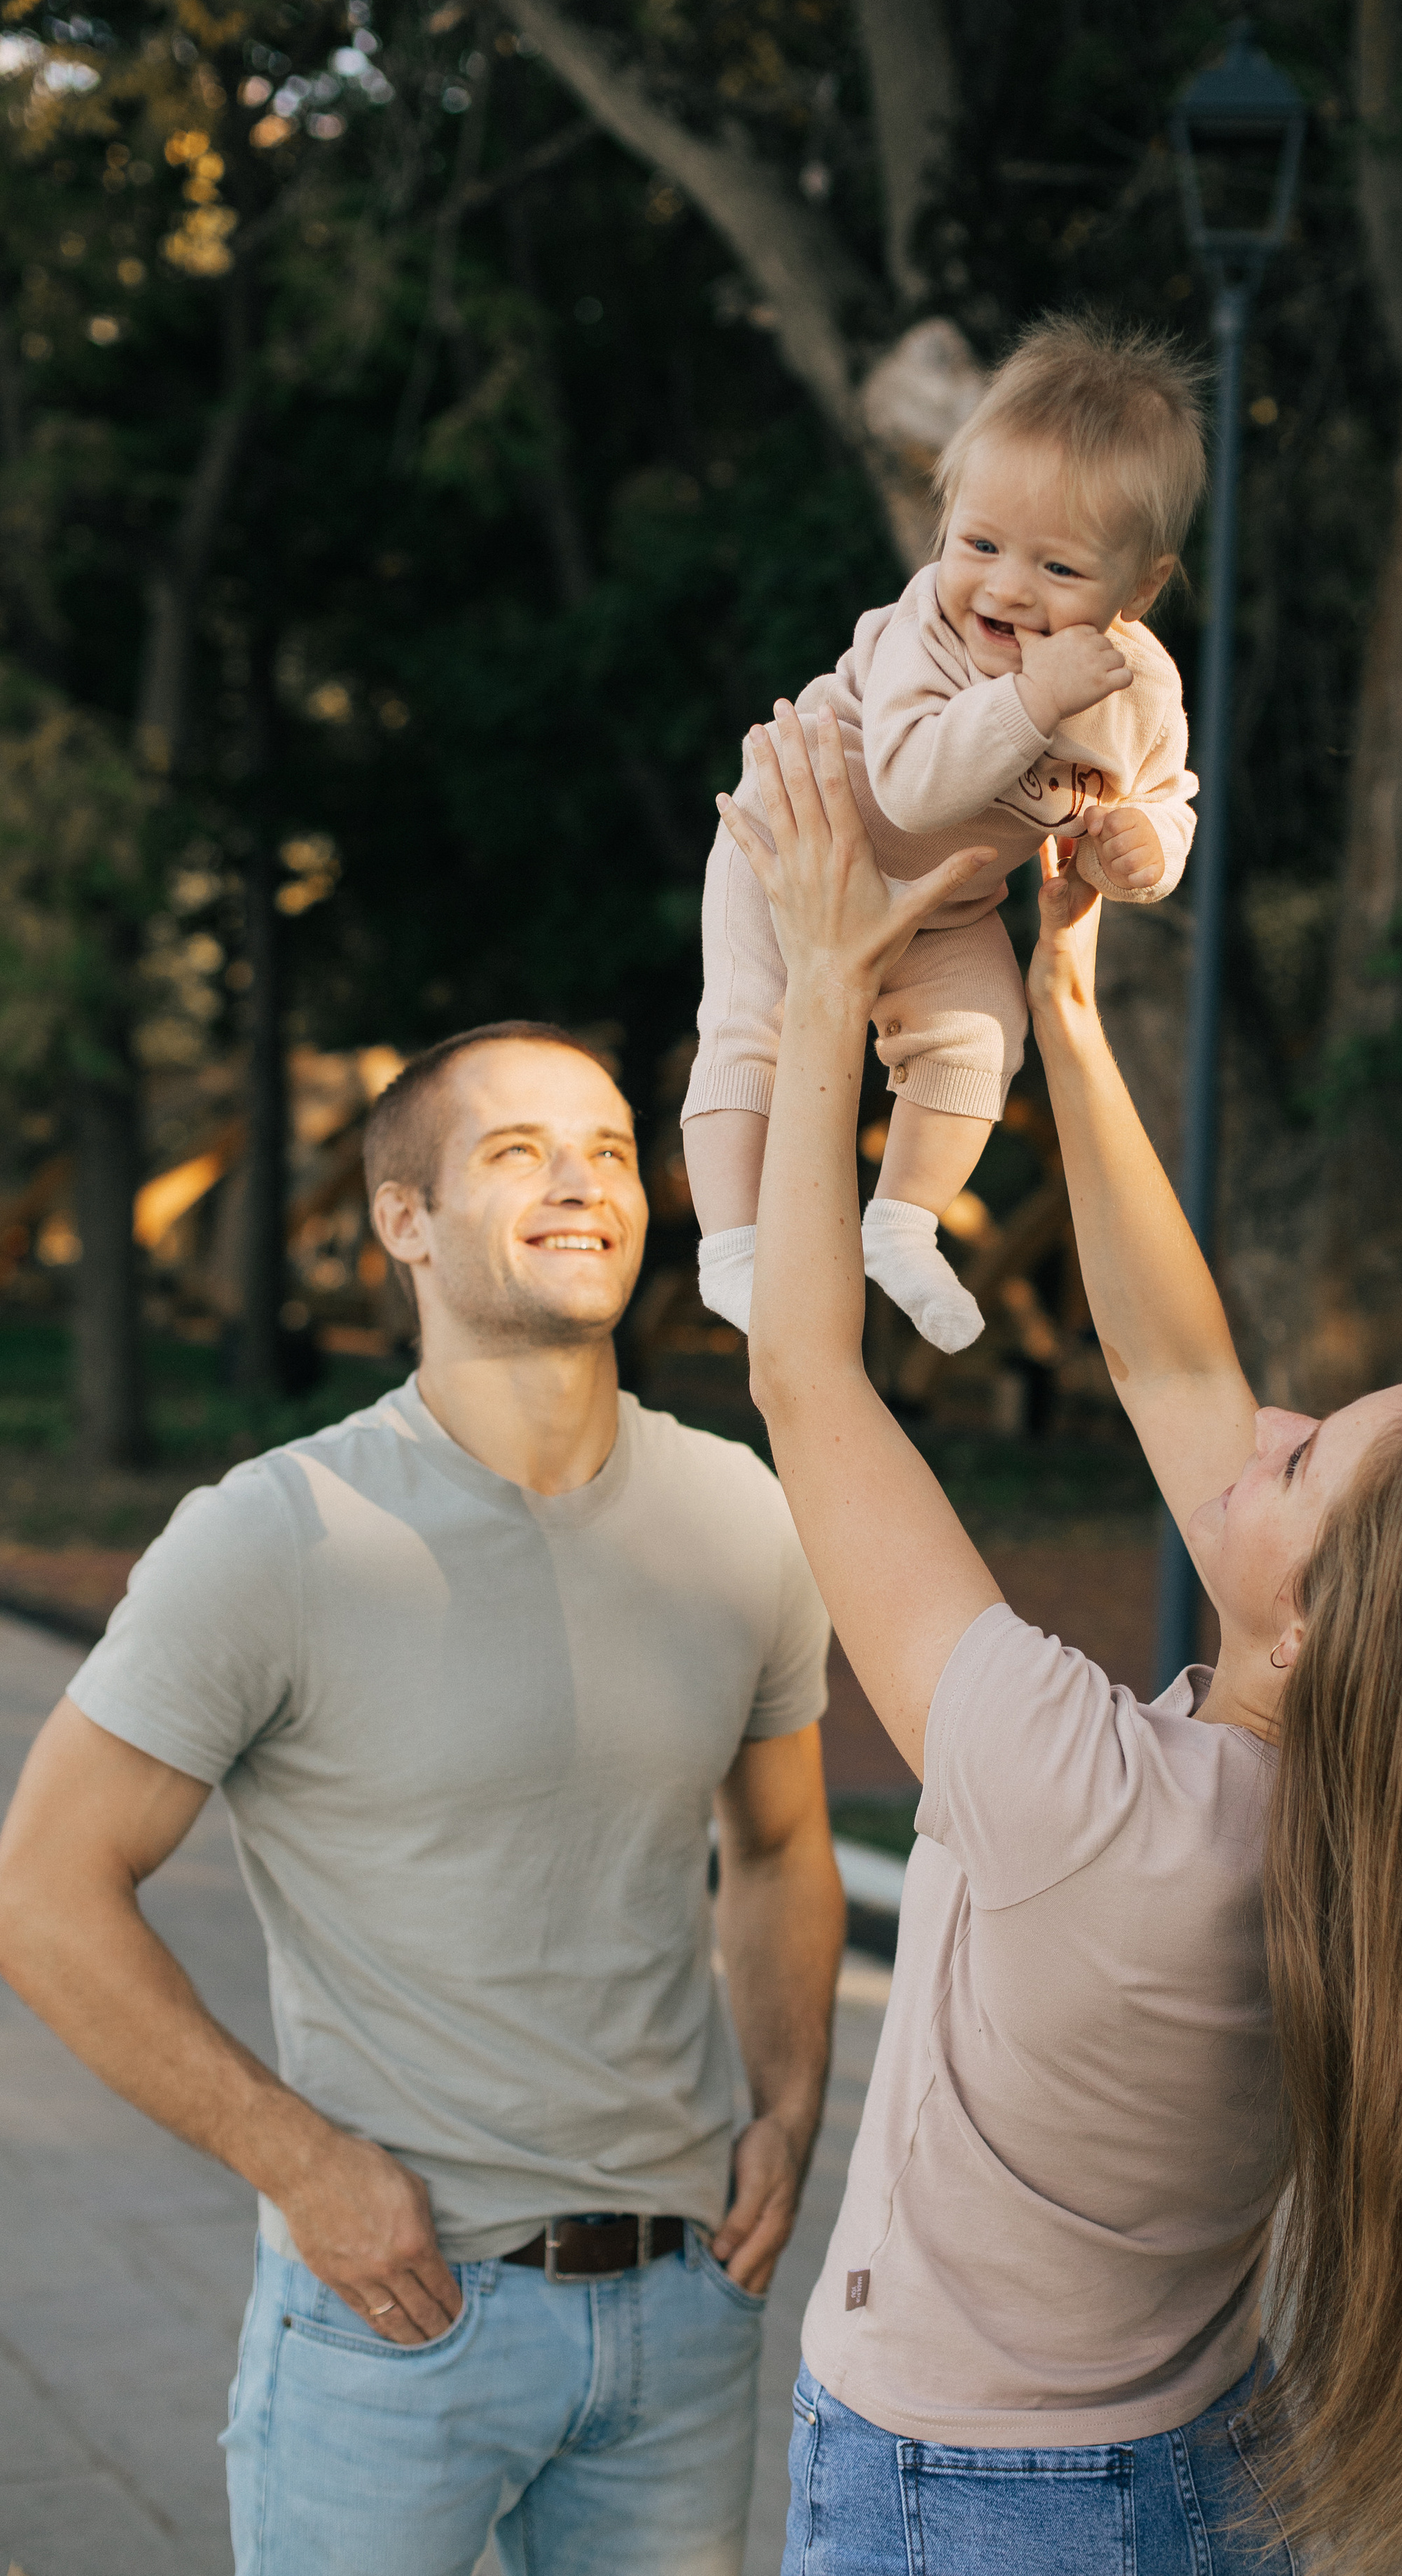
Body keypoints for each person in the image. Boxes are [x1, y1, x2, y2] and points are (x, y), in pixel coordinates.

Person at [720, 706, 1402, 2576]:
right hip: (1202, 2463)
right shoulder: (1397, 1847)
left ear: (1313, 1633)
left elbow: (805, 1381)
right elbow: (1172, 1358)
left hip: (968, 2507)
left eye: (1300, 1462)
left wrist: (825, 979)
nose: (1264, 1429)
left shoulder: (1089, 1803)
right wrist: (1063, 1003)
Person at [0, 1022, 845, 2576]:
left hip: (682, 2320)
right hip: (397, 2316)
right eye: (516, 1155)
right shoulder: (279, 1535)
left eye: (604, 1151)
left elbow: (783, 1845)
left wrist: (788, 2110)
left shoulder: (738, 1514)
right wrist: (298, 2163)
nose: (579, 1185)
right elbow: (43, 1892)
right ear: (404, 1222)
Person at [683, 312, 1202, 1356]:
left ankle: (904, 1224)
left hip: (948, 897)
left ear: (1140, 587)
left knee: (979, 1038)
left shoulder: (1139, 687)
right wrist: (1031, 698)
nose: (1006, 588)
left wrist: (1140, 846)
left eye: (1059, 571)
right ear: (945, 525)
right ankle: (730, 1252)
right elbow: (917, 786)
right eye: (980, 545)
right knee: (755, 1029)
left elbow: (1161, 795)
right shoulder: (926, 627)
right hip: (800, 842)